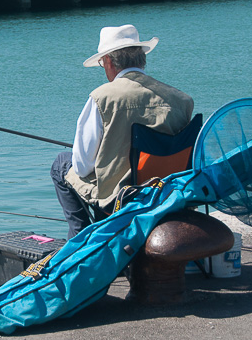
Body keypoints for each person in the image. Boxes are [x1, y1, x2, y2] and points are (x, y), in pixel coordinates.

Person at [51, 24, 194, 238]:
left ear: (108, 61)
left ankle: (80, 237)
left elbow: (81, 167)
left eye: (102, 63)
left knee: (61, 163)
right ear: (141, 59)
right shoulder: (181, 99)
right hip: (166, 195)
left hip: (119, 200)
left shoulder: (102, 98)